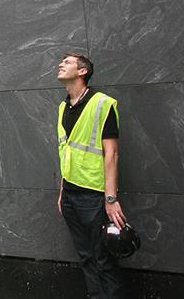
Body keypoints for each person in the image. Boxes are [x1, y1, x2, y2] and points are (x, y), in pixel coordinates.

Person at [56, 52, 126, 299]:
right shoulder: (63, 106)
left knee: (103, 259)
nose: (61, 65)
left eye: (67, 62)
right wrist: (62, 191)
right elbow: (66, 152)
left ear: (83, 71)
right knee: (86, 258)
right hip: (71, 196)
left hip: (94, 197)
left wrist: (110, 198)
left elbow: (112, 154)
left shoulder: (102, 104)